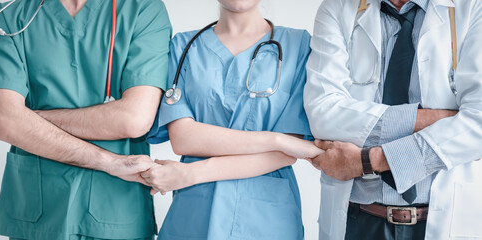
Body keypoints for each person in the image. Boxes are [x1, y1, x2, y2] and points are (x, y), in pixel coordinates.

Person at [141, 0, 322, 239]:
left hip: (266, 218)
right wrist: (277, 139)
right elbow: (184, 138)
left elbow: (289, 150)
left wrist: (191, 173)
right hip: (195, 215)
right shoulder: (183, 46)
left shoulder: (298, 45)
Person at [304, 0, 482, 239]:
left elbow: (478, 124)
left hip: (443, 220)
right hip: (359, 220)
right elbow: (322, 113)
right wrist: (432, 119)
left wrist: (369, 160)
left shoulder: (472, 7)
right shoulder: (337, 8)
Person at [0, 0, 171, 239]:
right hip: (39, 208)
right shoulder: (10, 16)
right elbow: (5, 120)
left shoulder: (142, 9)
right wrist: (108, 161)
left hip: (113, 208)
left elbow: (134, 118)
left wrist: (27, 121)